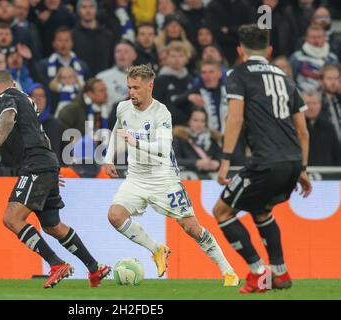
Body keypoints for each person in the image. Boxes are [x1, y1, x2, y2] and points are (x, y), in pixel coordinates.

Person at [104, 64, 239, 287]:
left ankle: (228, 271)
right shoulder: (123, 108)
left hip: (163, 179)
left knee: (191, 228)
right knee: (115, 215)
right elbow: (118, 130)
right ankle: (157, 249)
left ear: (150, 86)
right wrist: (109, 157)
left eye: (137, 88)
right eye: (129, 87)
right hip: (136, 178)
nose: (132, 93)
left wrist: (134, 141)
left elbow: (163, 148)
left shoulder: (161, 112)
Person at [0, 70, 110, 289]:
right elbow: (41, 134)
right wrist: (52, 167)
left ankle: (56, 264)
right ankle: (94, 267)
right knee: (52, 226)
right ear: (14, 83)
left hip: (34, 164)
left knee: (11, 219)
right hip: (46, 162)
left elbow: (8, 118)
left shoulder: (5, 97)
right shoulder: (28, 99)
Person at [212, 24, 312, 294]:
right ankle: (280, 273)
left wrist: (224, 161)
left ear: (239, 50)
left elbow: (235, 117)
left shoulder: (238, 74)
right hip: (291, 162)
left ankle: (258, 272)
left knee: (221, 212)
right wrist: (302, 168)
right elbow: (302, 129)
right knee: (261, 210)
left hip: (265, 162)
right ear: (268, 50)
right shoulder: (283, 75)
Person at [289, 24, 338, 92]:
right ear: (307, 38)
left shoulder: (332, 59)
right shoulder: (296, 58)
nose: (316, 40)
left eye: (319, 37)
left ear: (324, 38)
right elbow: (290, 79)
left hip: (327, 96)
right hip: (303, 96)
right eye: (313, 37)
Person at [172, 108, 221, 173]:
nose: (199, 124)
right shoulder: (179, 139)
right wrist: (196, 163)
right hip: (188, 179)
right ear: (189, 121)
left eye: (202, 121)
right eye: (195, 120)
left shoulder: (212, 139)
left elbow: (221, 157)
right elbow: (174, 160)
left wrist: (217, 163)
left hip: (210, 179)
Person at [96, 40, 137, 111]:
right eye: (118, 51)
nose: (122, 54)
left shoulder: (142, 79)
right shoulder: (102, 77)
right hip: (109, 119)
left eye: (126, 51)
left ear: (134, 55)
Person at [303, 90, 341, 166]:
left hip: (327, 174)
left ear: (320, 105)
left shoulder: (329, 127)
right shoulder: (296, 128)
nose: (311, 107)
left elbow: (337, 154)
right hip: (303, 173)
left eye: (314, 103)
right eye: (307, 104)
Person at [320, 64, 341, 145]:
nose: (333, 82)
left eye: (336, 78)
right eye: (329, 78)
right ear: (321, 81)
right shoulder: (316, 102)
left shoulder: (338, 99)